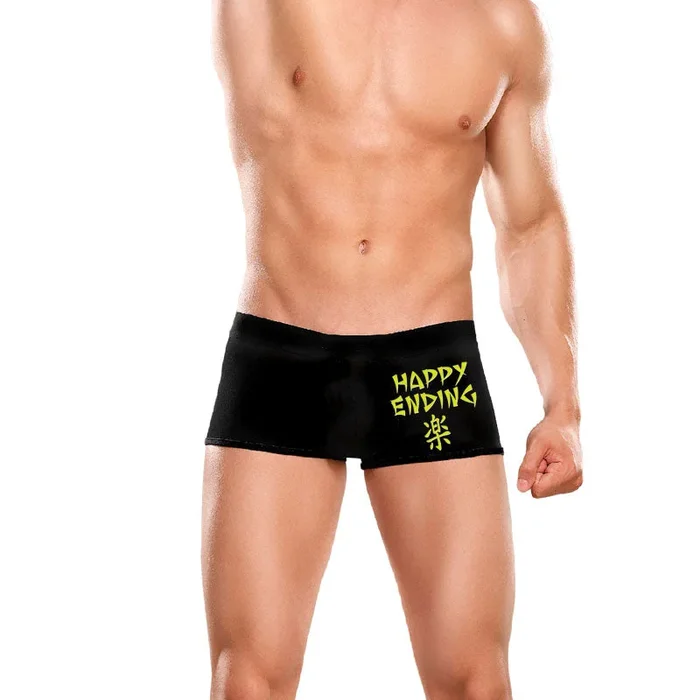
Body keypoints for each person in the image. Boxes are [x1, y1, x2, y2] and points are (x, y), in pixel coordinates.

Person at [201, 1, 583, 698]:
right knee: (247, 683)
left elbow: (529, 223)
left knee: (476, 683)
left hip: (431, 368)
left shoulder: (501, 20)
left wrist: (563, 404)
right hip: (284, 357)